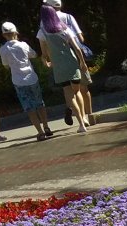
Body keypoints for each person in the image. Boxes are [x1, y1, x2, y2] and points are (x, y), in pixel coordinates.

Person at [37, 2, 92, 133]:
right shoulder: (64, 28)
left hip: (59, 66)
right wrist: (82, 62)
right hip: (72, 62)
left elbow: (44, 54)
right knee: (77, 92)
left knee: (69, 94)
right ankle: (84, 118)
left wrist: (46, 61)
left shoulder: (42, 32)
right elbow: (77, 48)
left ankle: (81, 124)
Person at [0, 22, 54, 140]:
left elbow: (5, 65)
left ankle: (40, 132)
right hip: (31, 77)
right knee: (40, 103)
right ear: (16, 33)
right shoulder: (23, 45)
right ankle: (46, 126)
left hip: (18, 81)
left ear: (4, 35)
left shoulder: (3, 49)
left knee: (29, 108)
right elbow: (33, 55)